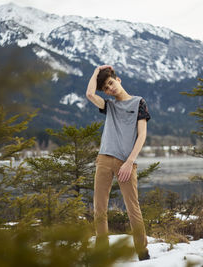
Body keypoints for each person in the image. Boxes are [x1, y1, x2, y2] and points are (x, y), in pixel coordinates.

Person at [86, 65, 151, 261]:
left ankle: (143, 252)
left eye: (111, 83)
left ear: (118, 80)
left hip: (126, 162)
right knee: (99, 208)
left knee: (133, 208)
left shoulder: (139, 102)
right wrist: (96, 71)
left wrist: (129, 162)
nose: (109, 89)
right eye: (105, 88)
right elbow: (89, 94)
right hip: (104, 159)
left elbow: (142, 135)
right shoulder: (109, 106)